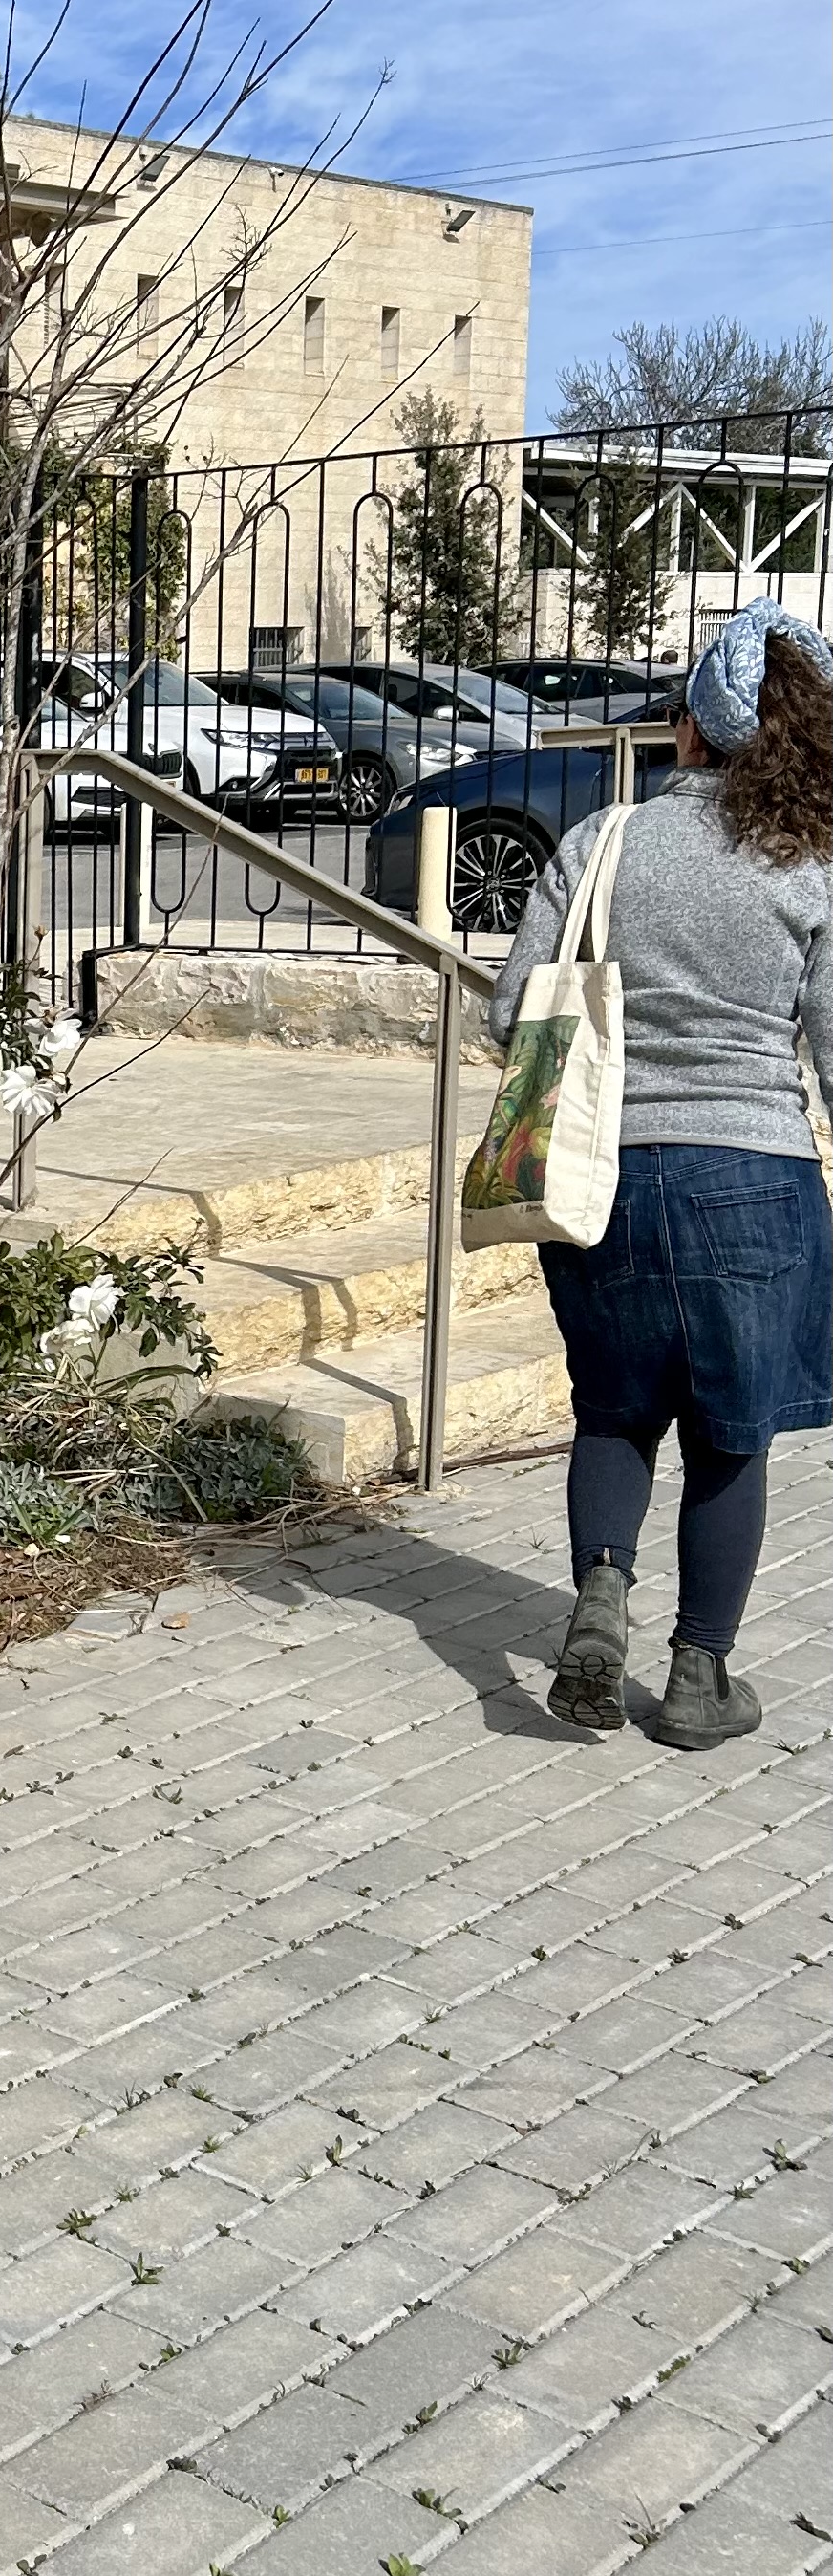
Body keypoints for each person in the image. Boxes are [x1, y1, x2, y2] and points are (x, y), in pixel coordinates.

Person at [497, 598, 833, 1745]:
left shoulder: (606, 838)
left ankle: (596, 1605)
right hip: (756, 1178)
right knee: (729, 1433)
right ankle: (697, 1680)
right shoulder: (815, 865)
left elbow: (511, 1011)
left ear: (688, 727)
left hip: (603, 1175)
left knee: (615, 1406)